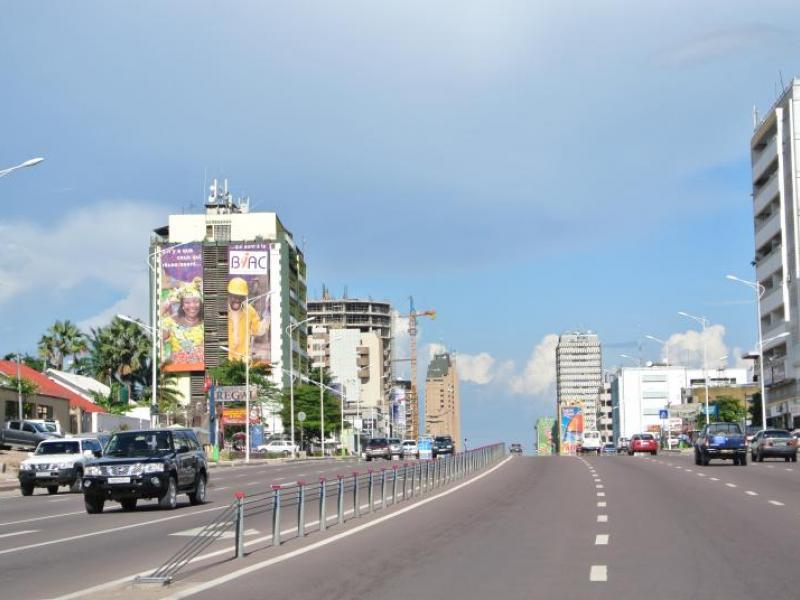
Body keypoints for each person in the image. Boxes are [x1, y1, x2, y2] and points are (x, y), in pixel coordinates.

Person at [161, 281, 204, 366]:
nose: (192, 306)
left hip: (202, 369)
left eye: (196, 301)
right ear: (182, 305)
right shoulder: (170, 322)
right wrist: (166, 304)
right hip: (175, 371)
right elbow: (155, 332)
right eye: (187, 302)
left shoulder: (206, 323)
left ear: (200, 304)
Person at [227, 277, 269, 360]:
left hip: (243, 360)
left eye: (241, 297)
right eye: (235, 297)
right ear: (229, 295)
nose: (237, 300)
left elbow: (259, 330)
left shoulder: (250, 311)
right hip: (225, 359)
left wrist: (268, 315)